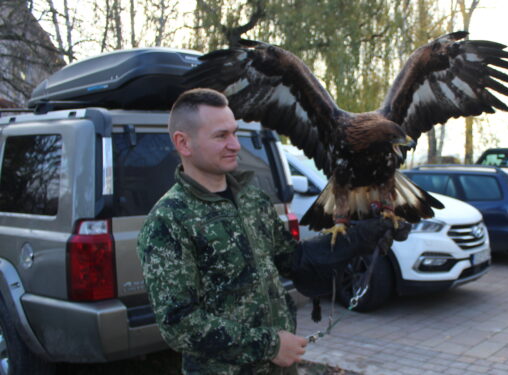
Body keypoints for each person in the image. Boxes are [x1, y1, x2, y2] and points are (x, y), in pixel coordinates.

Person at [136, 88, 407, 375]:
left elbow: (294, 261)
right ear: (184, 143)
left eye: (234, 132)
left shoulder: (253, 200)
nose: (235, 145)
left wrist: (357, 238)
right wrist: (271, 346)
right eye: (221, 136)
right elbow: (178, 324)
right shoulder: (168, 221)